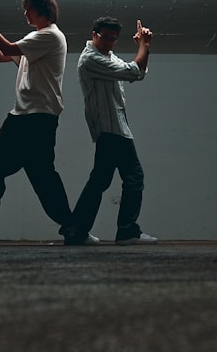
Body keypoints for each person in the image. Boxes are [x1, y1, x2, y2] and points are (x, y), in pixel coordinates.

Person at [0, 0, 92, 245]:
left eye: (28, 8)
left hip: (39, 120)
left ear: (41, 9)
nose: (25, 13)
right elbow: (0, 55)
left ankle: (73, 227)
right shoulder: (35, 38)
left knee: (44, 178)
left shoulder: (51, 36)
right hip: (19, 119)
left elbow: (6, 46)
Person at [67, 16, 158, 245]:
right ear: (94, 34)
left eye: (113, 39)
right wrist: (144, 45)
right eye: (104, 37)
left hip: (114, 128)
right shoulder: (91, 59)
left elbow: (138, 72)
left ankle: (76, 232)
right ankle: (126, 231)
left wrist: (142, 50)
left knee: (99, 181)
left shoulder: (107, 56)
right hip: (112, 129)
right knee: (133, 177)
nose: (108, 42)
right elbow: (132, 72)